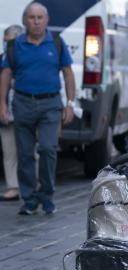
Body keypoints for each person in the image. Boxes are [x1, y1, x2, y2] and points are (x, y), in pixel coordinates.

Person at [0, 2, 75, 215]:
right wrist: (2, 104)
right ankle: (29, 199)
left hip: (50, 104)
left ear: (47, 20)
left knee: (48, 149)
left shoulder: (57, 42)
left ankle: (47, 196)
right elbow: (5, 75)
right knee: (25, 154)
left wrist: (70, 103)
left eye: (39, 17)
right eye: (31, 17)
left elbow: (68, 73)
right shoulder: (15, 45)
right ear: (25, 21)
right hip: (23, 103)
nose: (35, 21)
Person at [0, 25, 23, 202]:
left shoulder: (25, 59)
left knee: (30, 151)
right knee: (9, 152)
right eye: (4, 41)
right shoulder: (1, 60)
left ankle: (34, 184)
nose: (6, 45)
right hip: (6, 113)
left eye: (10, 42)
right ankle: (13, 187)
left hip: (26, 112)